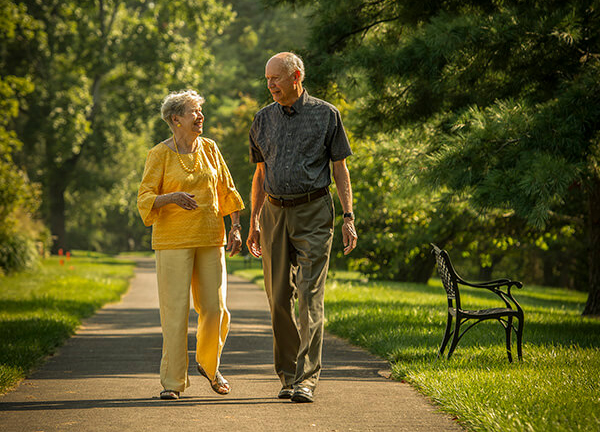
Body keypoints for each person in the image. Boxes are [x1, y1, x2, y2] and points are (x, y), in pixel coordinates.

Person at [246, 52, 358, 403]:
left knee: (310, 295)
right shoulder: (262, 119)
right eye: (267, 80)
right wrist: (254, 221)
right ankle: (288, 375)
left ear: (296, 77)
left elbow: (340, 169)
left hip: (314, 211)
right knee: (278, 298)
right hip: (274, 213)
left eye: (275, 78)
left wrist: (349, 217)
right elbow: (260, 173)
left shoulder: (327, 114)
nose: (270, 85)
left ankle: (306, 379)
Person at [137, 89, 244, 400]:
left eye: (200, 111)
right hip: (172, 241)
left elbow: (228, 189)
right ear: (175, 119)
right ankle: (172, 382)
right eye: (193, 112)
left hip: (211, 237)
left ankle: (210, 365)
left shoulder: (210, 149)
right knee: (175, 311)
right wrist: (170, 197)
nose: (200, 117)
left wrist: (235, 227)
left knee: (216, 309)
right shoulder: (159, 154)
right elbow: (144, 198)